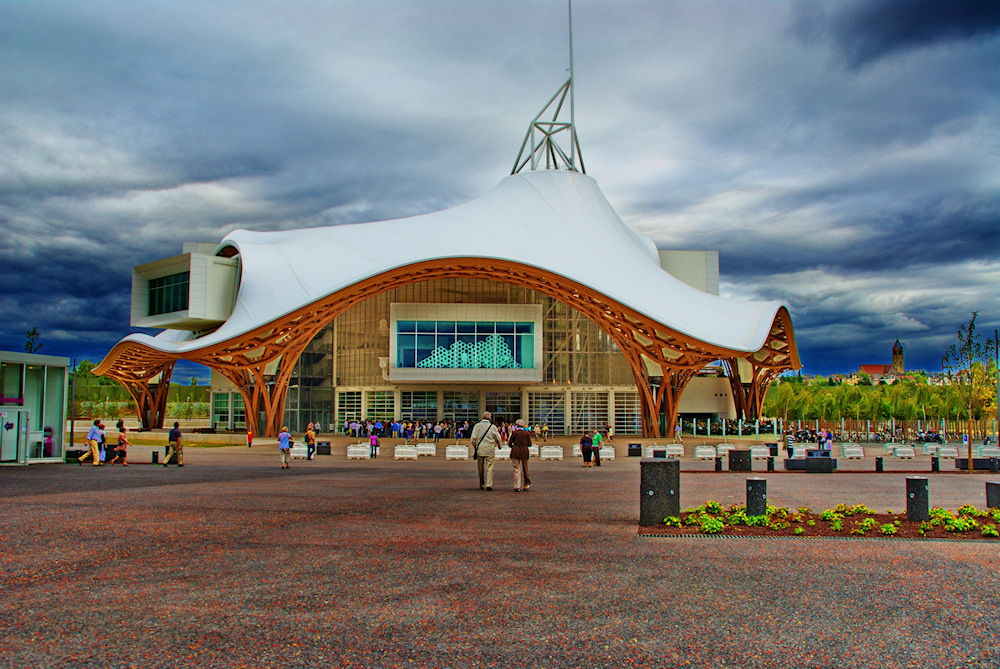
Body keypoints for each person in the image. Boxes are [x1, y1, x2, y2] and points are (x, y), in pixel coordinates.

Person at [470, 411, 502, 491]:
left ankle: (481, 483)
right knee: (490, 467)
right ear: (490, 419)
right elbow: (498, 437)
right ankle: (489, 484)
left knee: (480, 468)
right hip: (489, 449)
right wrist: (499, 445)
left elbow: (472, 439)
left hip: (480, 449)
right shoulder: (493, 427)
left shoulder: (477, 426)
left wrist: (476, 446)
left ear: (482, 418)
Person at [508, 419, 532, 492]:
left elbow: (509, 443)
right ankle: (526, 484)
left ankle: (517, 486)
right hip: (524, 452)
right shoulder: (526, 433)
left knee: (516, 469)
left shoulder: (514, 433)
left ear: (516, 425)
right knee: (525, 468)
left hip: (515, 452)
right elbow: (529, 444)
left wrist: (514, 447)